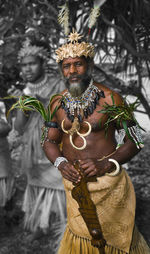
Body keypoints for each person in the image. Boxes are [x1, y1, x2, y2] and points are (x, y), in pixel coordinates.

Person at [42, 30, 150, 253]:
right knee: (81, 239)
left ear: (90, 66)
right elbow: (48, 142)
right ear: (61, 70)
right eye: (66, 66)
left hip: (109, 185)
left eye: (78, 64)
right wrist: (61, 164)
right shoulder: (56, 103)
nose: (72, 71)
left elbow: (136, 140)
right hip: (75, 186)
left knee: (116, 243)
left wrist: (106, 163)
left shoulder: (111, 98)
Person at [14, 37, 66, 241]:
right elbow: (18, 127)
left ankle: (67, 229)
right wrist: (23, 105)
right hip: (33, 147)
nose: (27, 69)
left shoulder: (58, 83)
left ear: (43, 63)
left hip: (57, 142)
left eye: (32, 63)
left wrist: (42, 102)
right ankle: (40, 226)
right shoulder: (25, 90)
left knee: (62, 186)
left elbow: (66, 114)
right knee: (36, 185)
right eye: (24, 65)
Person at [0, 101, 14, 213]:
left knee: (4, 176)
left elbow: (7, 127)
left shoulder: (1, 105)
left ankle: (6, 204)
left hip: (3, 149)